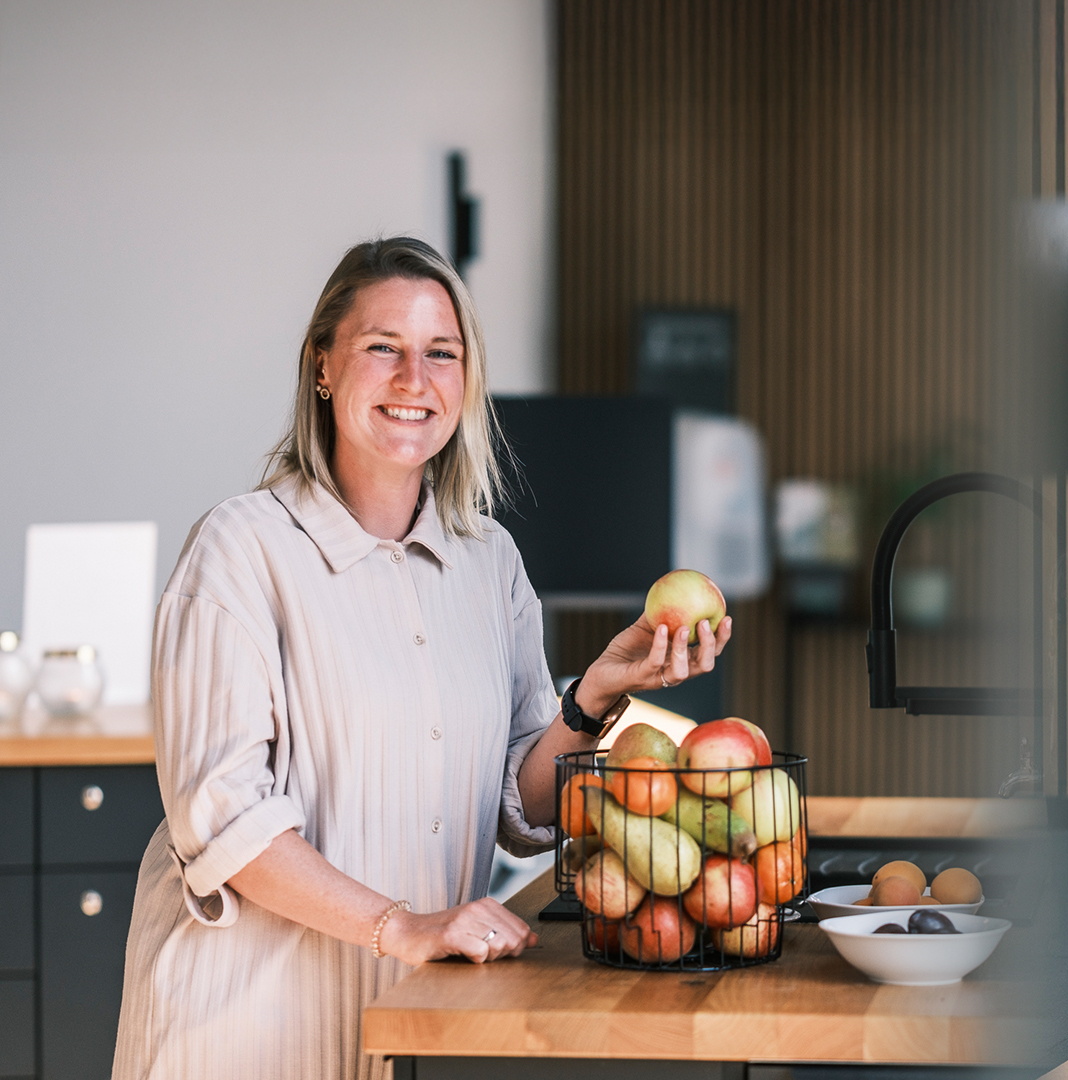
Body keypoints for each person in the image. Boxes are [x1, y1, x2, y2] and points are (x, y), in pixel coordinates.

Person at [112, 238, 731, 1080]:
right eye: (383, 348)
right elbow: (224, 821)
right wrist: (403, 925)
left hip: (415, 1024)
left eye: (442, 353)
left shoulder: (488, 561)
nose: (415, 379)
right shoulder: (239, 551)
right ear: (323, 367)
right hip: (247, 1032)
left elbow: (520, 801)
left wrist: (592, 696)